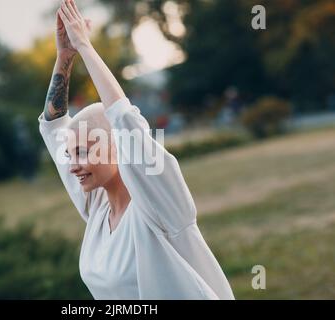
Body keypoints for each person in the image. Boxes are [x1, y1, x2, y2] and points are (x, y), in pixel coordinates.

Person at [39, 0, 235, 300]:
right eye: (70, 154)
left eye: (83, 151)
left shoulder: (159, 201)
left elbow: (125, 120)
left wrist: (86, 47)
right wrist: (65, 57)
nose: (73, 165)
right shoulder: (96, 206)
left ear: (118, 145)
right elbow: (54, 126)